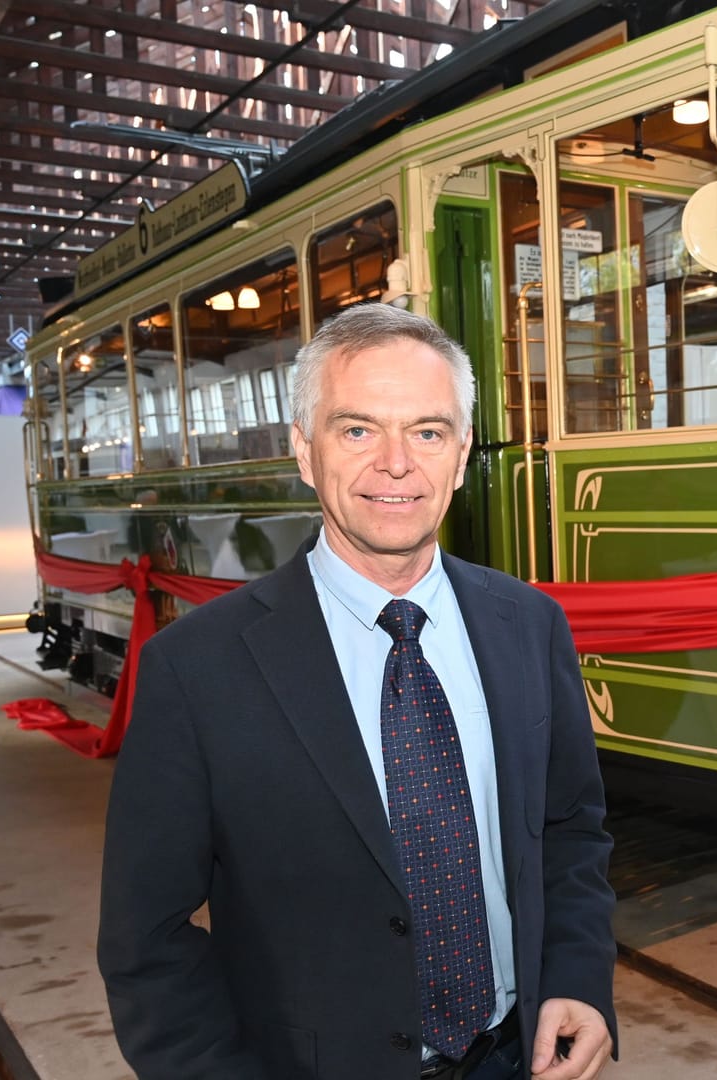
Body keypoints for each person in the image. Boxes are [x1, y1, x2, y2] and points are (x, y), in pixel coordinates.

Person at [99, 302, 617, 1080]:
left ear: (464, 450)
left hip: (517, 1060)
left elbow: (571, 831)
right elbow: (147, 940)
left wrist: (579, 981)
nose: (397, 464)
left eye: (428, 431)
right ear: (304, 452)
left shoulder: (529, 625)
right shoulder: (196, 669)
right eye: (357, 430)